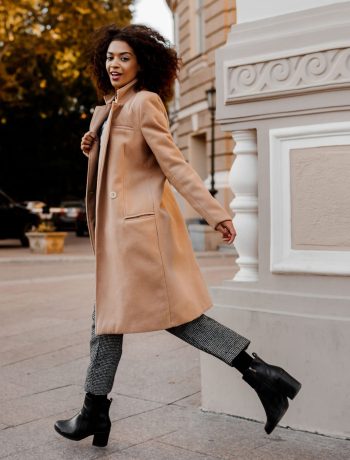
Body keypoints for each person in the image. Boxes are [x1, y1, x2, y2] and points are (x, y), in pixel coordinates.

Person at [54, 24, 301, 447]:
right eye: (110, 57)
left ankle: (264, 376)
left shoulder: (145, 103)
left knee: (163, 321)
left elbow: (175, 165)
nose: (115, 64)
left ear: (142, 63)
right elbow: (123, 170)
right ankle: (96, 411)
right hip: (120, 236)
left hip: (138, 237)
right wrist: (94, 147)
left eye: (124, 58)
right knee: (109, 324)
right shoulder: (112, 108)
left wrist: (214, 212)